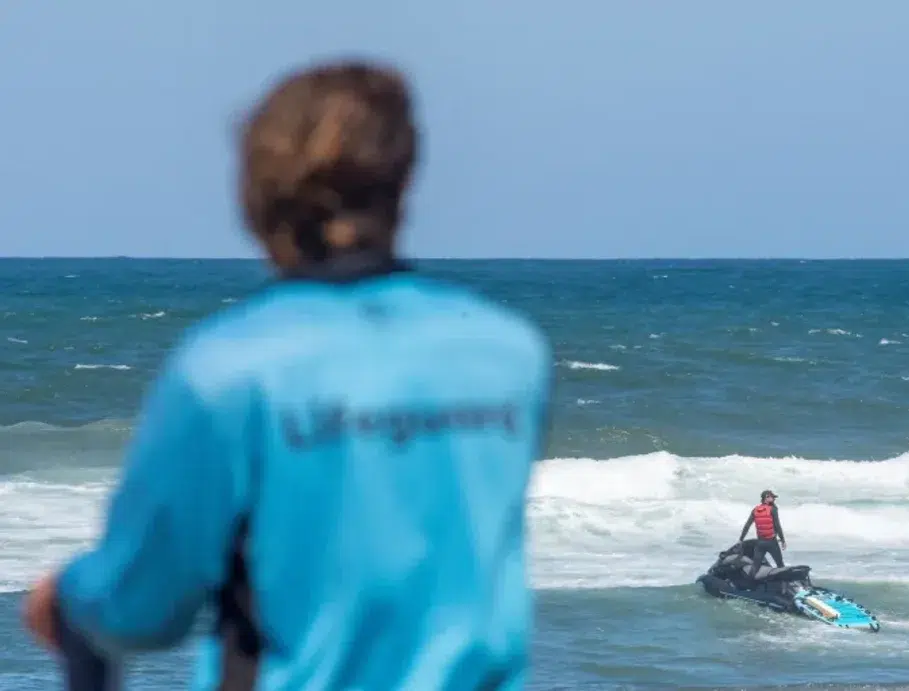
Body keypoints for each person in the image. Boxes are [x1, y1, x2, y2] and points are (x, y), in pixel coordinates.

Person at [22, 59, 554, 690]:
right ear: (402, 182)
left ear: (253, 197)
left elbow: (143, 609)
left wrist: (68, 597)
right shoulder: (507, 354)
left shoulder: (230, 366)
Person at [738, 489, 786, 577]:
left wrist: (741, 539)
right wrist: (783, 540)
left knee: (755, 567)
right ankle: (784, 588)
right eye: (772, 497)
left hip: (760, 543)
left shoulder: (755, 510)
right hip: (772, 543)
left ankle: (750, 585)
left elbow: (747, 526)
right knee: (780, 565)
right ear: (766, 497)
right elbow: (778, 526)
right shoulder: (773, 509)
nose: (774, 499)